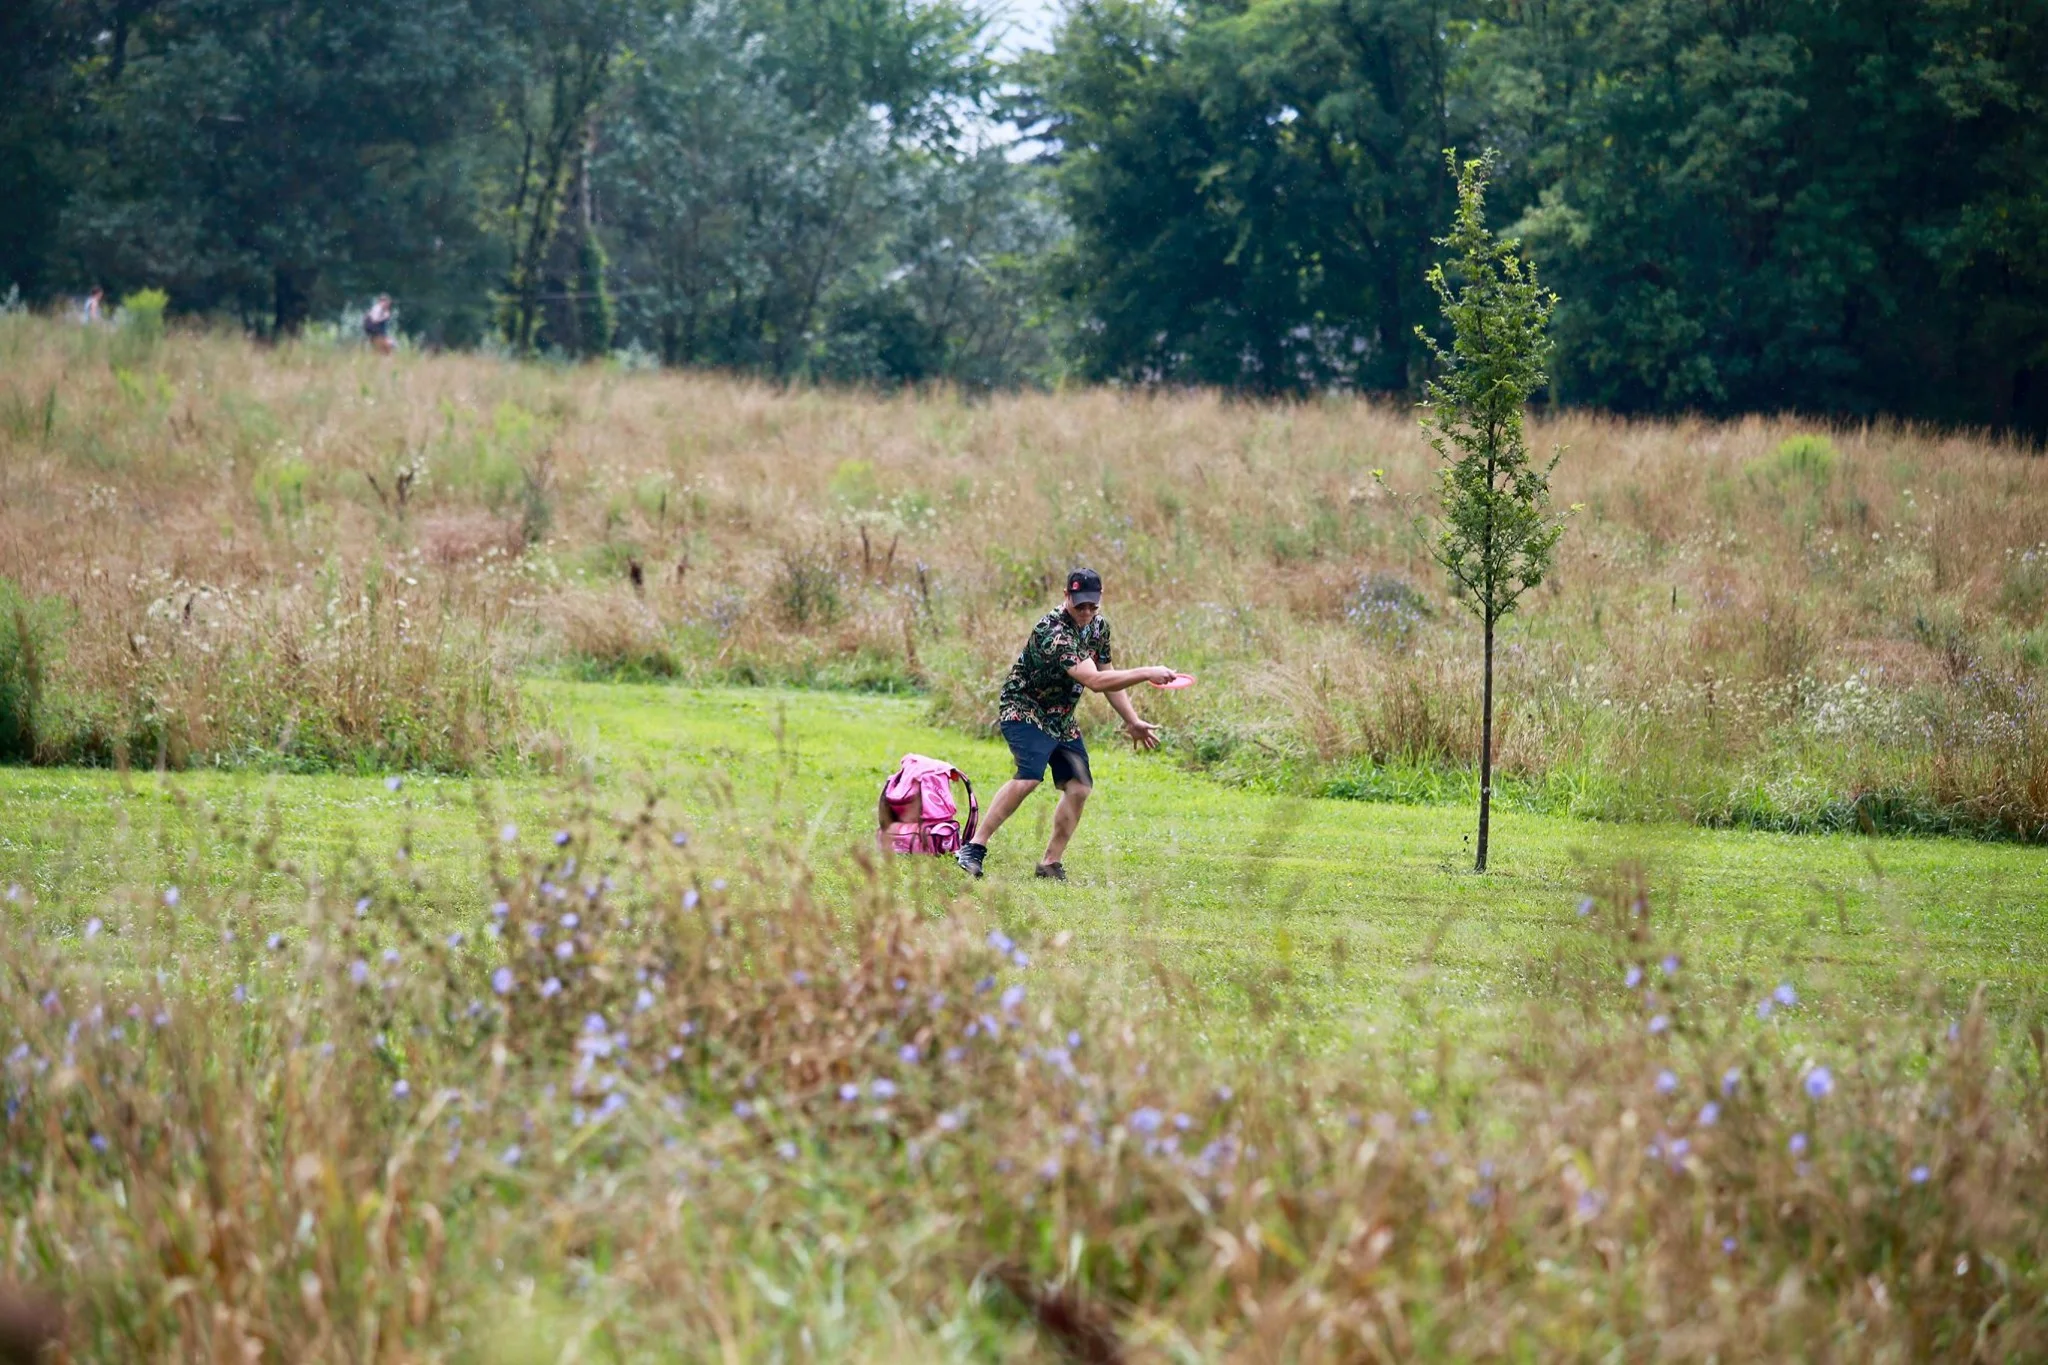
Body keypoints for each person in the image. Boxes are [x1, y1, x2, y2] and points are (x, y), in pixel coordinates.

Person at [955, 567, 1175, 882]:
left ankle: (1049, 863)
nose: (1086, 612)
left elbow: (1107, 673)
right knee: (1029, 777)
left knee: (1080, 787)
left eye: (1092, 605)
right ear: (1065, 596)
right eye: (1079, 604)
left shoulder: (1099, 628)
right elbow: (1096, 681)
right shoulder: (1053, 631)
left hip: (1061, 717)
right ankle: (974, 847)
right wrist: (1147, 671)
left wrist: (1133, 720)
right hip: (1024, 709)